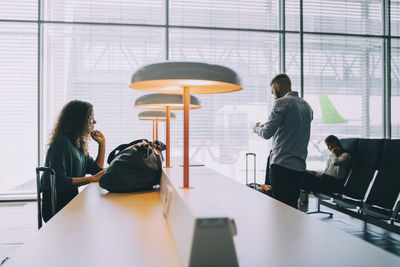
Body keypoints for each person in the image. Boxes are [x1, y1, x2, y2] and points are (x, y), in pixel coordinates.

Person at [253, 74, 313, 209]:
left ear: (277, 87)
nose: (273, 95)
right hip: (299, 167)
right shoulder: (307, 106)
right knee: (292, 208)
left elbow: (267, 133)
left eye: (273, 91)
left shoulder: (281, 103)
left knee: (279, 209)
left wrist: (256, 128)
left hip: (282, 165)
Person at [41, 100, 106, 222]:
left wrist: (102, 144)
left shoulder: (78, 144)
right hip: (56, 204)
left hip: (70, 200)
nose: (95, 122)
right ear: (80, 120)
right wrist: (92, 179)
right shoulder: (62, 144)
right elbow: (60, 182)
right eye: (91, 118)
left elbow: (96, 170)